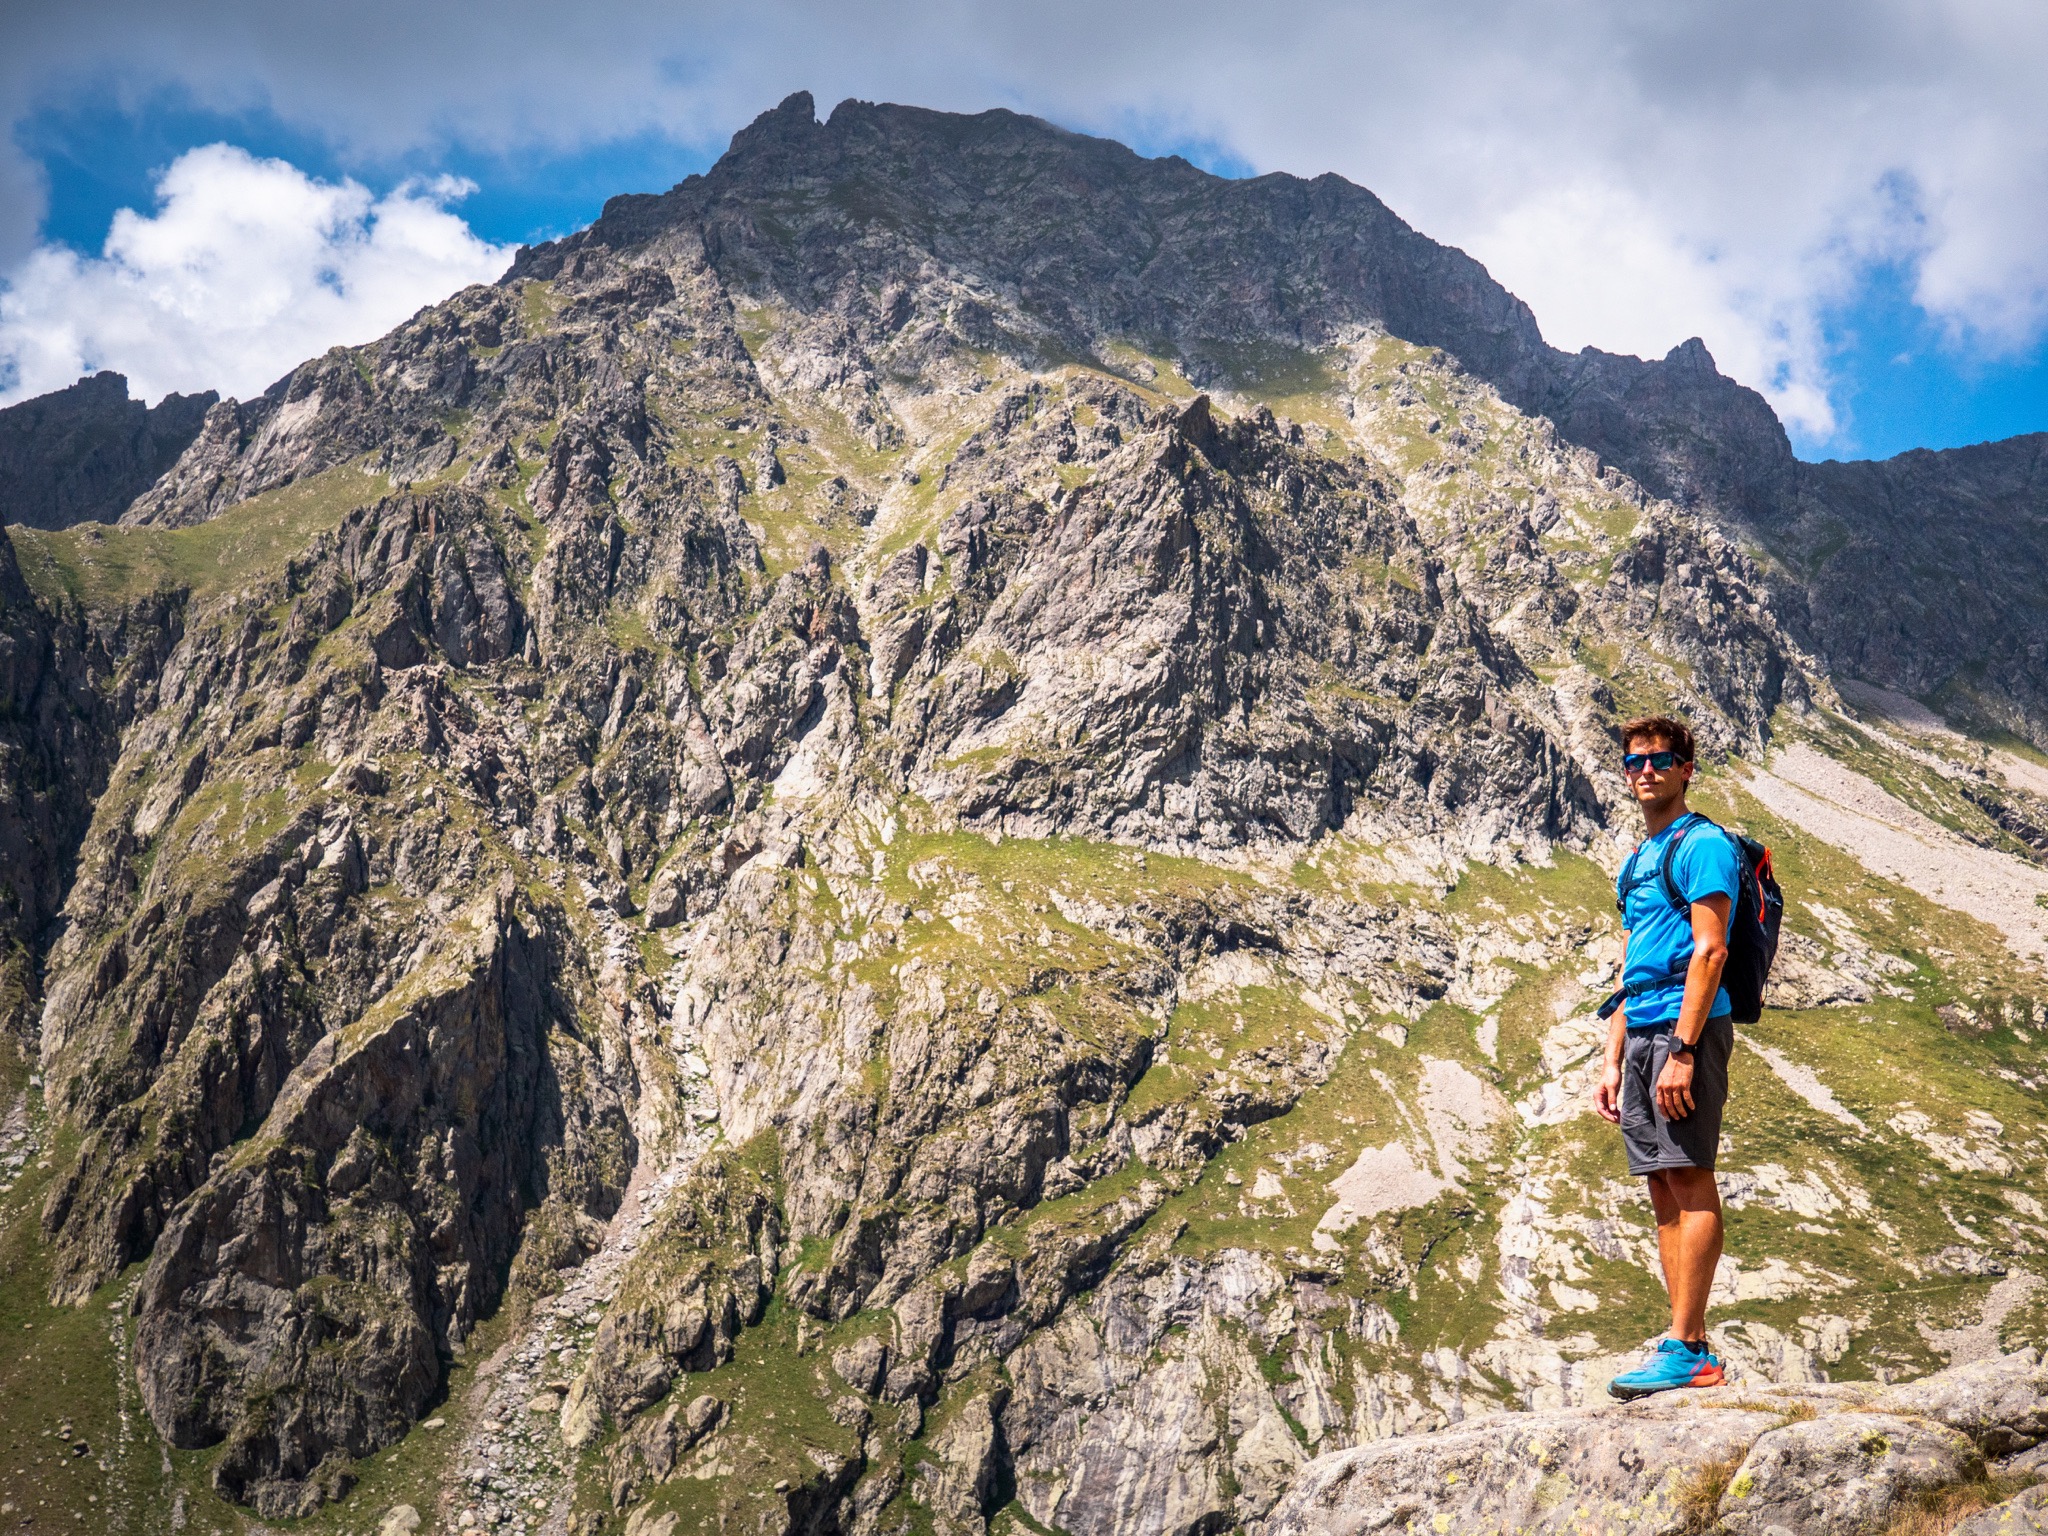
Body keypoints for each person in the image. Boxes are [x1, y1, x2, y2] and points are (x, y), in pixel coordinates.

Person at [1594, 715, 1738, 1399]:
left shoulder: (1702, 844)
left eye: (1659, 759)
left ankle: (1685, 1347)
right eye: (1634, 761)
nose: (1645, 770)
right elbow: (1633, 967)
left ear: (1686, 768)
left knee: (1688, 1175)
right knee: (1660, 1183)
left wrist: (1683, 1049)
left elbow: (1711, 950)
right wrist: (1612, 1058)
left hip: (1685, 1029)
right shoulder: (1637, 858)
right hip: (1643, 1029)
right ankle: (1687, 1343)